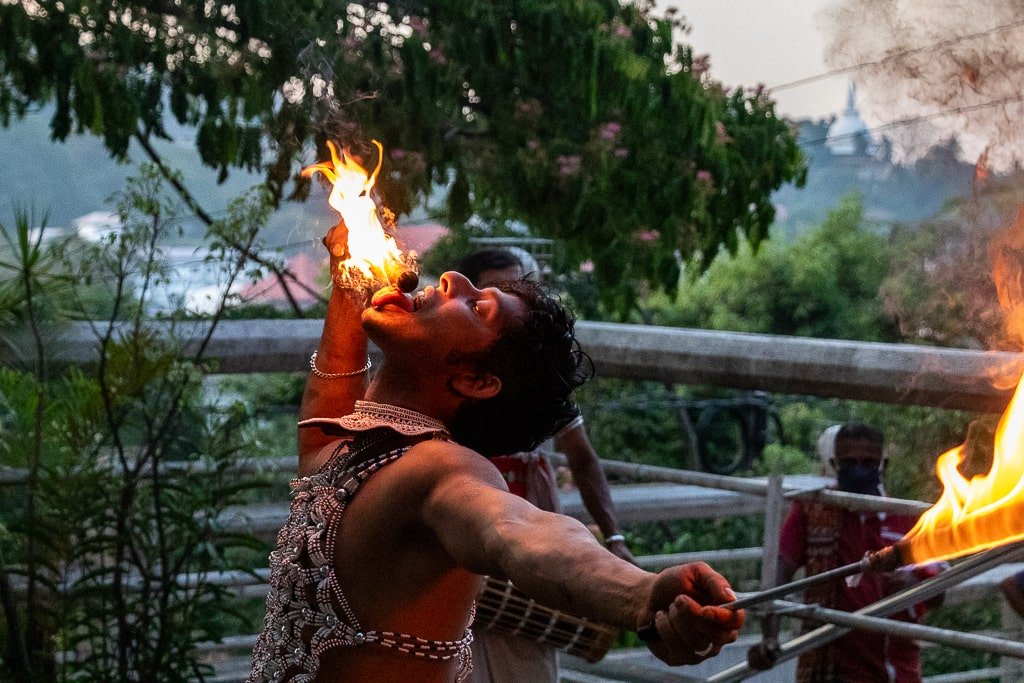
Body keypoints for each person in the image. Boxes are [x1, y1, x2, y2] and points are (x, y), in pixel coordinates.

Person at [248, 223, 745, 683]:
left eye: (476, 307)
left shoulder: (440, 469)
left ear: (476, 381)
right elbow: (328, 394)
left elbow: (520, 534)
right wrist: (347, 285)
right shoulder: (349, 445)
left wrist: (642, 596)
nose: (450, 280)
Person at [453, 248, 634, 682]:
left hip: (532, 560)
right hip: (465, 563)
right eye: (497, 292)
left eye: (521, 288)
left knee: (531, 665)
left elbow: (584, 462)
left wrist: (615, 536)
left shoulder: (538, 390)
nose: (515, 298)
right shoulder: (452, 390)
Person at [748, 423, 938, 683]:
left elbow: (939, 589)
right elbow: (779, 573)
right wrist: (769, 637)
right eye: (849, 463)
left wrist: (913, 585)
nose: (859, 469)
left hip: (893, 668)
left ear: (884, 464)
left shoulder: (906, 517)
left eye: (868, 462)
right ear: (834, 463)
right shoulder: (812, 510)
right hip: (829, 665)